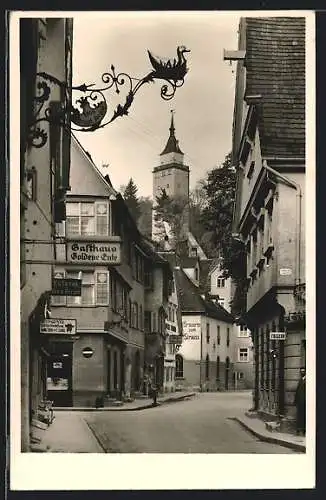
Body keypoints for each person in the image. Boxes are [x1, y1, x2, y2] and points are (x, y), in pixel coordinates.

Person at [294, 368, 306, 436]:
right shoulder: (300, 380)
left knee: (304, 416)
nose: (302, 373)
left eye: (303, 371)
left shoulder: (307, 380)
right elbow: (297, 391)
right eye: (301, 372)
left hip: (305, 401)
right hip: (300, 402)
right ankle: (299, 429)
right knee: (299, 415)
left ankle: (304, 430)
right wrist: (295, 401)